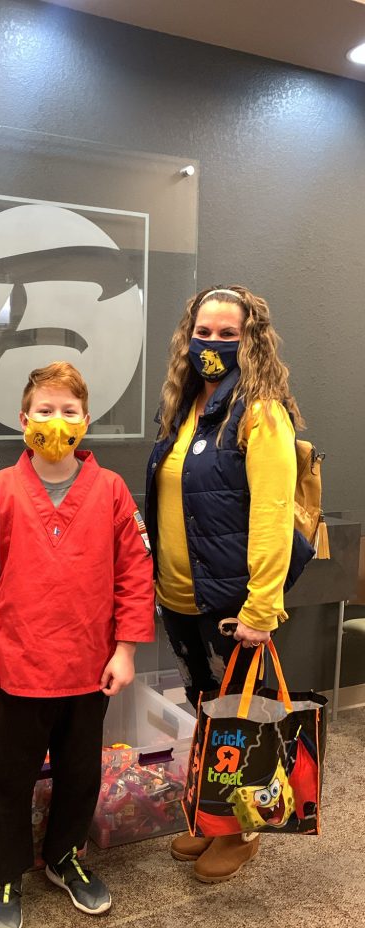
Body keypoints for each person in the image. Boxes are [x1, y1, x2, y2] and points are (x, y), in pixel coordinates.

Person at [0, 361, 155, 928]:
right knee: (10, 779)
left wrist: (127, 649)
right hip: (16, 669)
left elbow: (135, 573)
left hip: (90, 670)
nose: (55, 421)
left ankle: (64, 857)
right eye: (44, 409)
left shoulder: (111, 491)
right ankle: (7, 873)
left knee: (80, 773)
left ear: (86, 422)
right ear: (23, 420)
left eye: (68, 411)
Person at [145, 285, 314, 883]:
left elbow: (271, 512)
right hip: (181, 597)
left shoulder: (260, 411)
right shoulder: (186, 407)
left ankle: (239, 833)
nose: (211, 344)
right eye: (203, 333)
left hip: (231, 604)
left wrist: (262, 605)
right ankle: (215, 817)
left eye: (227, 334)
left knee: (238, 719)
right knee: (206, 714)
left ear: (252, 340)